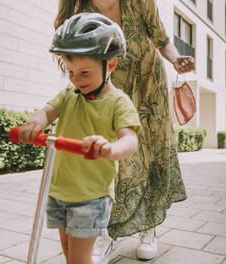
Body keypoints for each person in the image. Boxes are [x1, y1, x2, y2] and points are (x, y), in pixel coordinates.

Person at [54, 0, 195, 261]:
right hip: (114, 96)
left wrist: (177, 60)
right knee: (116, 164)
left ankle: (150, 229)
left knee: (153, 156)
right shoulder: (83, 16)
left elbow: (161, 39)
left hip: (150, 88)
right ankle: (109, 233)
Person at [18, 13, 141, 264]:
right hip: (59, 189)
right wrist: (36, 122)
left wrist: (109, 149)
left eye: (84, 72)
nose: (76, 79)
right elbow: (47, 111)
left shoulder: (119, 102)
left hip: (91, 195)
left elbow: (130, 141)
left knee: (78, 258)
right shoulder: (68, 94)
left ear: (112, 64)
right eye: (70, 71)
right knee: (68, 250)